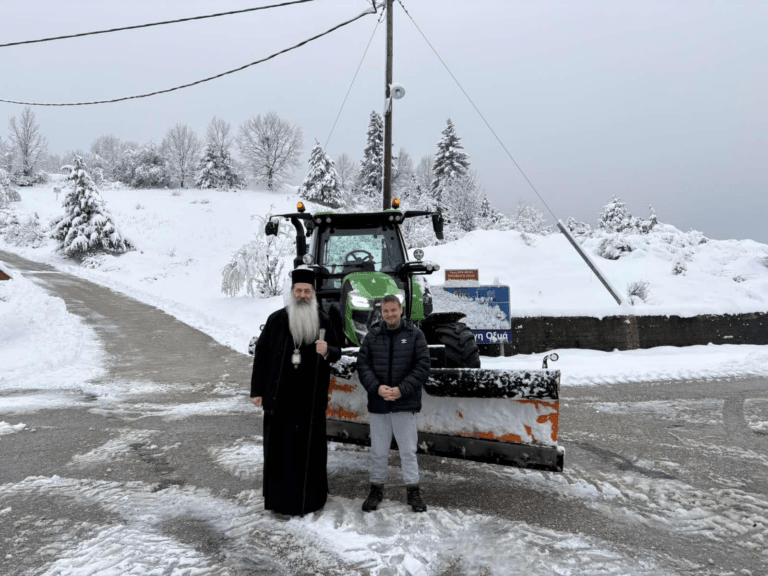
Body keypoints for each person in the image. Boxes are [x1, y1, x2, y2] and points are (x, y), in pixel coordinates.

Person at [250, 268, 341, 517]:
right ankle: (280, 501)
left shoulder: (323, 320)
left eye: (307, 291)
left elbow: (337, 351)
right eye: (298, 291)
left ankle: (311, 499)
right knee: (281, 452)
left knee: (309, 451)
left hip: (309, 401)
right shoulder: (276, 320)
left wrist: (327, 350)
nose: (302, 295)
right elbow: (262, 355)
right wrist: (257, 391)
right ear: (292, 293)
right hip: (279, 399)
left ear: (313, 294)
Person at [356, 294, 431, 513]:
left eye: (393, 310)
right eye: (385, 311)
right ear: (381, 312)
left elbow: (422, 367)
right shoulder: (372, 336)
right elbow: (363, 365)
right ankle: (376, 489)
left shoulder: (415, 335)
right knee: (378, 451)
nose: (390, 314)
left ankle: (413, 490)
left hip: (404, 403)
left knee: (408, 451)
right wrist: (377, 388)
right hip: (379, 403)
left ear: (401, 310)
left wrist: (401, 390)